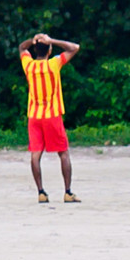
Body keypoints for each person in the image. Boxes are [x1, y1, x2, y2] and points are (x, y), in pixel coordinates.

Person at [20, 32, 81, 204]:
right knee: (63, 153)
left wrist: (32, 40)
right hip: (52, 115)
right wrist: (51, 39)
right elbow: (74, 47)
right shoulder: (53, 64)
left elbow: (21, 48)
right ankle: (68, 192)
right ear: (49, 50)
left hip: (34, 116)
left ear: (35, 49)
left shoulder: (29, 66)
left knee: (35, 154)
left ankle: (41, 192)